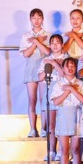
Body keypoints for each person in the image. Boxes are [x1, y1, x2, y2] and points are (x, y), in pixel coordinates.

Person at [19, 8, 50, 137]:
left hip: (44, 70)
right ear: (30, 19)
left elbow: (48, 52)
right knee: (32, 100)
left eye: (39, 18)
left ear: (43, 19)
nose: (36, 20)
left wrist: (37, 41)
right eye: (34, 18)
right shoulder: (26, 36)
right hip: (31, 70)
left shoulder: (48, 35)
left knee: (44, 100)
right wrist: (36, 42)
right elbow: (26, 54)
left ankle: (44, 128)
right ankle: (32, 129)